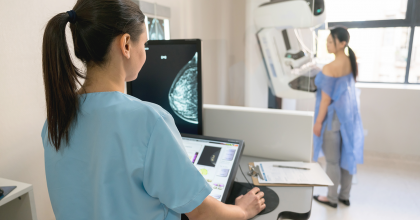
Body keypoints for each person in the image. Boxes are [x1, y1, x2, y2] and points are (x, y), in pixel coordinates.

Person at [41, 0, 265, 219]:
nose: (145, 52)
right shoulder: (149, 121)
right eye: (145, 44)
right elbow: (201, 212)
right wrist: (242, 211)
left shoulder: (55, 121)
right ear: (126, 44)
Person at [312, 27, 364, 208]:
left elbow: (326, 100)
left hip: (331, 119)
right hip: (348, 117)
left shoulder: (330, 67)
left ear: (342, 44)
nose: (327, 44)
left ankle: (331, 198)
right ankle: (344, 196)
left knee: (332, 161)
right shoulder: (351, 62)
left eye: (330, 41)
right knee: (346, 155)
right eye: (326, 41)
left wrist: (318, 122)